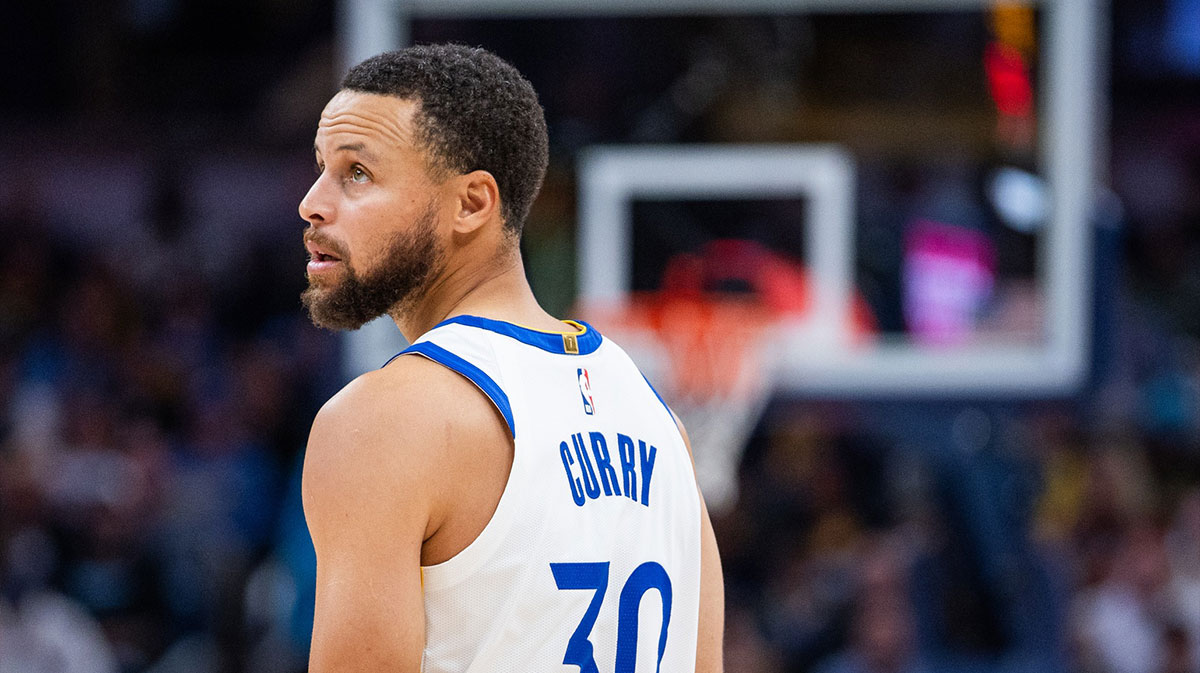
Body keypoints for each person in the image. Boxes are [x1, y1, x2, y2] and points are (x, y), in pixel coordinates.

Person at [297, 43, 724, 672]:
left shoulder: (382, 422)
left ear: (472, 203)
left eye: (356, 173)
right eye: (321, 167)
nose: (313, 201)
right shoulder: (662, 425)